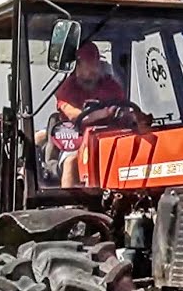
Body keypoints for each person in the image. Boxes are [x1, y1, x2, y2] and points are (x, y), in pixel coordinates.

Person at [51, 42, 135, 187]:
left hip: (109, 140)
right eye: (88, 64)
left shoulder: (110, 86)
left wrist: (134, 118)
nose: (94, 69)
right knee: (72, 162)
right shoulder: (67, 89)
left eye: (95, 63)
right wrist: (102, 113)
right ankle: (69, 205)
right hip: (76, 141)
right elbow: (74, 115)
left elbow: (124, 110)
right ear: (77, 65)